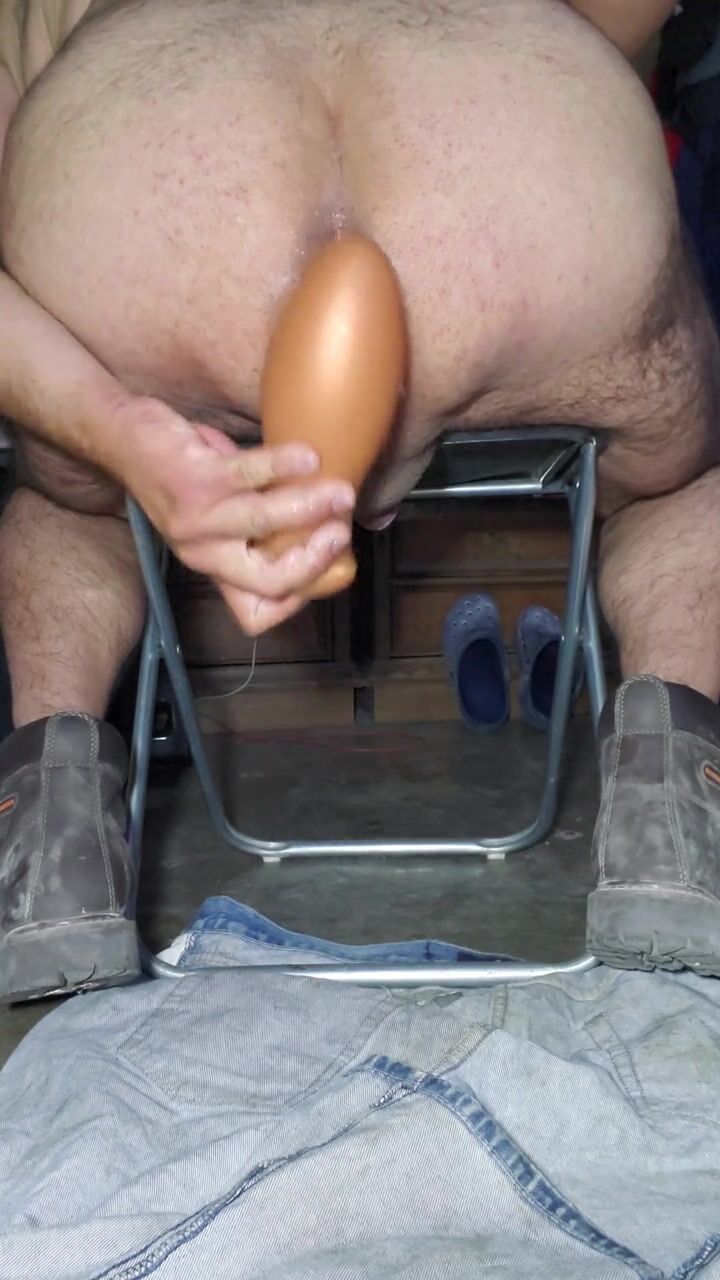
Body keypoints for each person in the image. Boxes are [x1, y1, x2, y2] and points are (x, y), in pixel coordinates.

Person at [1, 0, 718, 1003]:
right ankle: (673, 819)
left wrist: (117, 430)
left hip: (149, 185)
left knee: (75, 502)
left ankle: (50, 841)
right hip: (514, 178)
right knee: (677, 480)